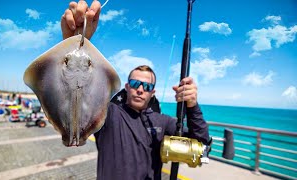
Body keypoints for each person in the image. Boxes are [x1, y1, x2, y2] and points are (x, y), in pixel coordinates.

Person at [61, 1, 210, 179]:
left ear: (152, 92)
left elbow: (201, 147)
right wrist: (74, 45)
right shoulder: (107, 113)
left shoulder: (163, 122)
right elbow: (76, 103)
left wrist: (192, 107)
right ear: (127, 86)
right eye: (135, 83)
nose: (140, 89)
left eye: (147, 86)